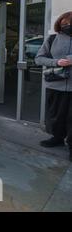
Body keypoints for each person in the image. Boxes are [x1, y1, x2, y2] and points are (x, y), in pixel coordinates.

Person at [35, 12, 72, 161]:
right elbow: (39, 59)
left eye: (70, 24)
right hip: (55, 84)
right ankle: (57, 137)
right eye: (65, 24)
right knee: (55, 116)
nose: (67, 26)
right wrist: (56, 62)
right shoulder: (52, 39)